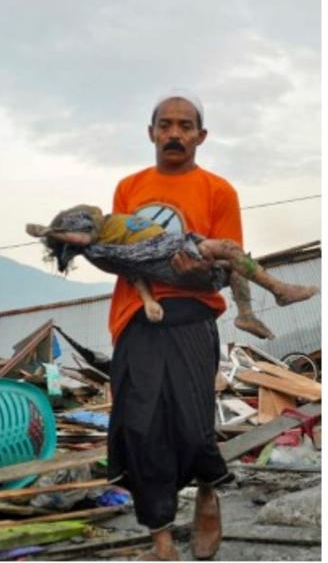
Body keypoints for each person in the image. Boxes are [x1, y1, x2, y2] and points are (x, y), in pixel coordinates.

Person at [105, 93, 251, 561]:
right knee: (139, 428)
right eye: (165, 125)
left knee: (191, 426)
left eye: (185, 126)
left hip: (192, 317)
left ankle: (208, 492)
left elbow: (229, 265)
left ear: (200, 136)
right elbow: (121, 255)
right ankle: (161, 540)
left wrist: (194, 272)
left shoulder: (219, 191)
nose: (174, 133)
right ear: (151, 133)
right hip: (137, 316)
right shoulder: (129, 188)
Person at [26, 204, 317, 339]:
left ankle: (246, 315)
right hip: (166, 252)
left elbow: (130, 269)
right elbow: (130, 267)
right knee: (229, 248)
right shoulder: (98, 247)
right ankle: (280, 291)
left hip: (171, 245)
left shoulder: (109, 231)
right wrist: (49, 232)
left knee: (237, 262)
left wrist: (149, 301)